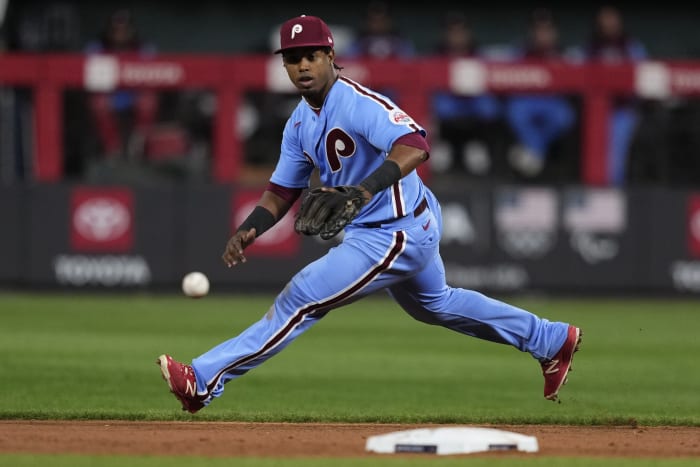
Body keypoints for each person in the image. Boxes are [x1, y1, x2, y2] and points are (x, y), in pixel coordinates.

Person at [156, 15, 583, 413]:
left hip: (395, 231)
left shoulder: (358, 102)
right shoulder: (300, 122)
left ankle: (203, 379)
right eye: (292, 58)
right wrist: (251, 227)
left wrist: (361, 191)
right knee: (436, 305)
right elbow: (282, 190)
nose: (302, 65)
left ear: (330, 56)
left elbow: (415, 143)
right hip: (394, 225)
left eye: (311, 55)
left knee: (300, 298)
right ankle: (549, 339)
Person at [429, 12, 505, 177]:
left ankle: (478, 144)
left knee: (489, 106)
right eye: (452, 32)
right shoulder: (436, 55)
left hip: (473, 100)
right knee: (435, 105)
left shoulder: (479, 54)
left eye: (461, 32)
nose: (457, 37)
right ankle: (440, 145)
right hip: (448, 100)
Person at [504, 8, 577, 178]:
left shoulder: (564, 54)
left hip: (552, 101)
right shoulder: (520, 51)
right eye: (538, 30)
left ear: (554, 32)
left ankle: (533, 154)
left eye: (546, 30)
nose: (542, 34)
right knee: (516, 112)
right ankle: (537, 154)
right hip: (527, 100)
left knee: (564, 116)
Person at [581, 5, 647, 185]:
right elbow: (578, 77)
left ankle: (614, 191)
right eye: (605, 18)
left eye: (612, 18)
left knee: (615, 151)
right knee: (593, 149)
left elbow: (643, 78)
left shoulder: (631, 47)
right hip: (596, 110)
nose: (609, 23)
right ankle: (596, 192)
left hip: (624, 110)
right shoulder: (591, 48)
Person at [85, 9, 159, 160]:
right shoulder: (97, 48)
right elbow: (87, 77)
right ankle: (113, 150)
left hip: (134, 95)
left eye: (124, 29)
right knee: (99, 103)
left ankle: (138, 146)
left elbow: (155, 76)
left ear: (131, 30)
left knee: (148, 101)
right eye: (116, 29)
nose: (120, 33)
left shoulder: (143, 49)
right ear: (109, 30)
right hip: (110, 95)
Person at [343, 1, 415, 60]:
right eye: (373, 20)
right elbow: (350, 61)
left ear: (389, 21)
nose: (377, 24)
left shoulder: (400, 40)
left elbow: (409, 61)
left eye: (381, 20)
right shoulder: (359, 40)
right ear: (367, 22)